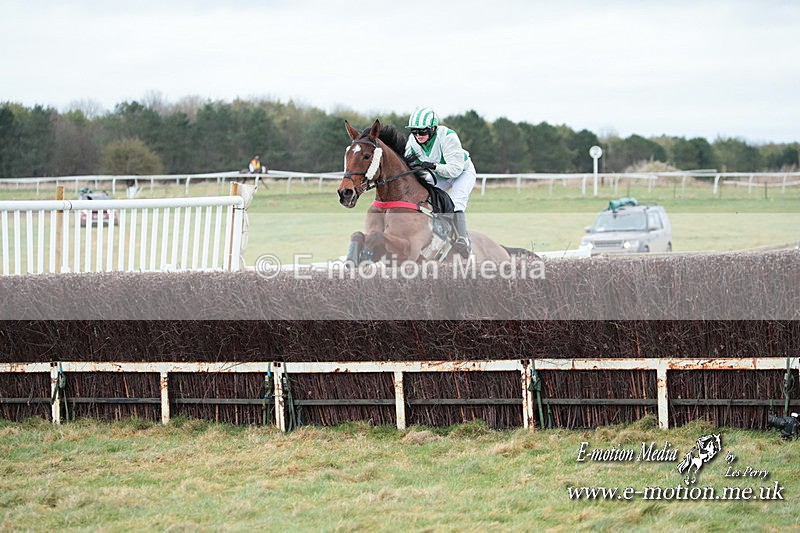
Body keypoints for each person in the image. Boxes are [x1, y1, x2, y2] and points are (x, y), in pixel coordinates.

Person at [404, 106, 475, 257]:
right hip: (440, 175)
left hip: (462, 172)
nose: (418, 135)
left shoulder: (448, 136)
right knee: (427, 198)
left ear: (433, 128)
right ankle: (434, 234)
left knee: (455, 202)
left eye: (422, 131)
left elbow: (455, 170)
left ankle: (463, 240)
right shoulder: (412, 141)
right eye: (414, 131)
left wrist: (433, 166)